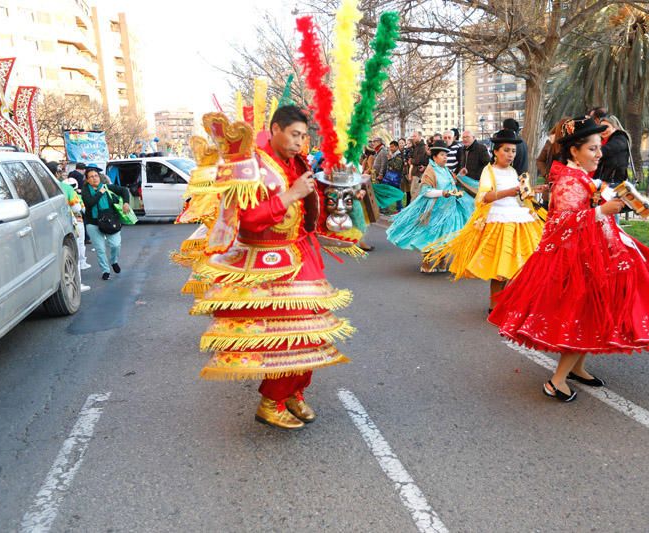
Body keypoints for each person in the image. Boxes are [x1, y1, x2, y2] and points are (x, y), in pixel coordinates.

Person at [488, 116, 649, 402]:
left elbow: (592, 202)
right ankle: (556, 381)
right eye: (592, 149)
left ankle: (578, 368)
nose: (599, 154)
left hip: (597, 253)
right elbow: (560, 223)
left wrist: (614, 201)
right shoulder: (566, 182)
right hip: (576, 260)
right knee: (584, 315)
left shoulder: (581, 177)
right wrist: (602, 210)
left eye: (600, 148)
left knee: (596, 312)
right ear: (574, 150)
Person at [187, 106, 356, 430]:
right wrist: (289, 196)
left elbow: (310, 207)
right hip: (269, 261)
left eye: (304, 136)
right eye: (295, 135)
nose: (300, 143)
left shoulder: (298, 162)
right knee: (287, 335)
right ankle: (271, 400)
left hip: (302, 255)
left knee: (311, 332)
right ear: (274, 129)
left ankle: (294, 392)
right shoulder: (253, 165)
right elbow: (248, 221)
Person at [426, 129, 545, 310]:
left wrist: (533, 190)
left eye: (513, 151)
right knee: (500, 269)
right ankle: (495, 306)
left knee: (519, 264)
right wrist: (510, 191)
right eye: (506, 150)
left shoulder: (513, 171)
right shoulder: (489, 171)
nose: (510, 154)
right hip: (497, 221)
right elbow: (484, 197)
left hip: (518, 220)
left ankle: (511, 303)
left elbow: (519, 196)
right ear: (496, 151)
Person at [386, 140, 475, 272]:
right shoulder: (430, 171)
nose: (445, 157)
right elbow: (425, 192)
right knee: (430, 236)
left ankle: (441, 260)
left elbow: (453, 183)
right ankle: (426, 263)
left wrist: (460, 175)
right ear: (434, 157)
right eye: (442, 155)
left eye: (446, 155)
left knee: (446, 236)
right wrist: (442, 193)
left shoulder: (446, 170)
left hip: (448, 210)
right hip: (434, 211)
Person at [81, 167, 131, 280]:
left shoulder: (107, 187)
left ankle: (114, 261)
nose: (94, 178)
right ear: (87, 180)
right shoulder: (85, 191)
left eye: (96, 176)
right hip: (93, 223)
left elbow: (124, 190)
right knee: (100, 249)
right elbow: (90, 203)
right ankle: (105, 270)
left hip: (110, 221)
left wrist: (126, 203)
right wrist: (100, 192)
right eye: (91, 177)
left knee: (115, 245)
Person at [48, 162, 91, 292]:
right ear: (56, 173)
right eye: (60, 171)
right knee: (73, 255)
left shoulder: (36, 188)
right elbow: (77, 207)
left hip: (48, 229)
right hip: (69, 226)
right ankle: (76, 284)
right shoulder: (66, 188)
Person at [595, 114, 632, 186]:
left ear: (615, 127)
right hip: (607, 182)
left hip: (614, 183)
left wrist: (590, 152)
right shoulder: (605, 141)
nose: (603, 130)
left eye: (607, 127)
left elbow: (608, 149)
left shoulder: (620, 137)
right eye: (601, 127)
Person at [409, 130, 429, 199]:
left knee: (415, 194)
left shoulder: (422, 147)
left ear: (420, 136)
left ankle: (413, 209)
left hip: (419, 173)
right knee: (413, 192)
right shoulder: (416, 146)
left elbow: (419, 161)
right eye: (413, 136)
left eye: (415, 136)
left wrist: (411, 160)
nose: (413, 138)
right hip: (415, 173)